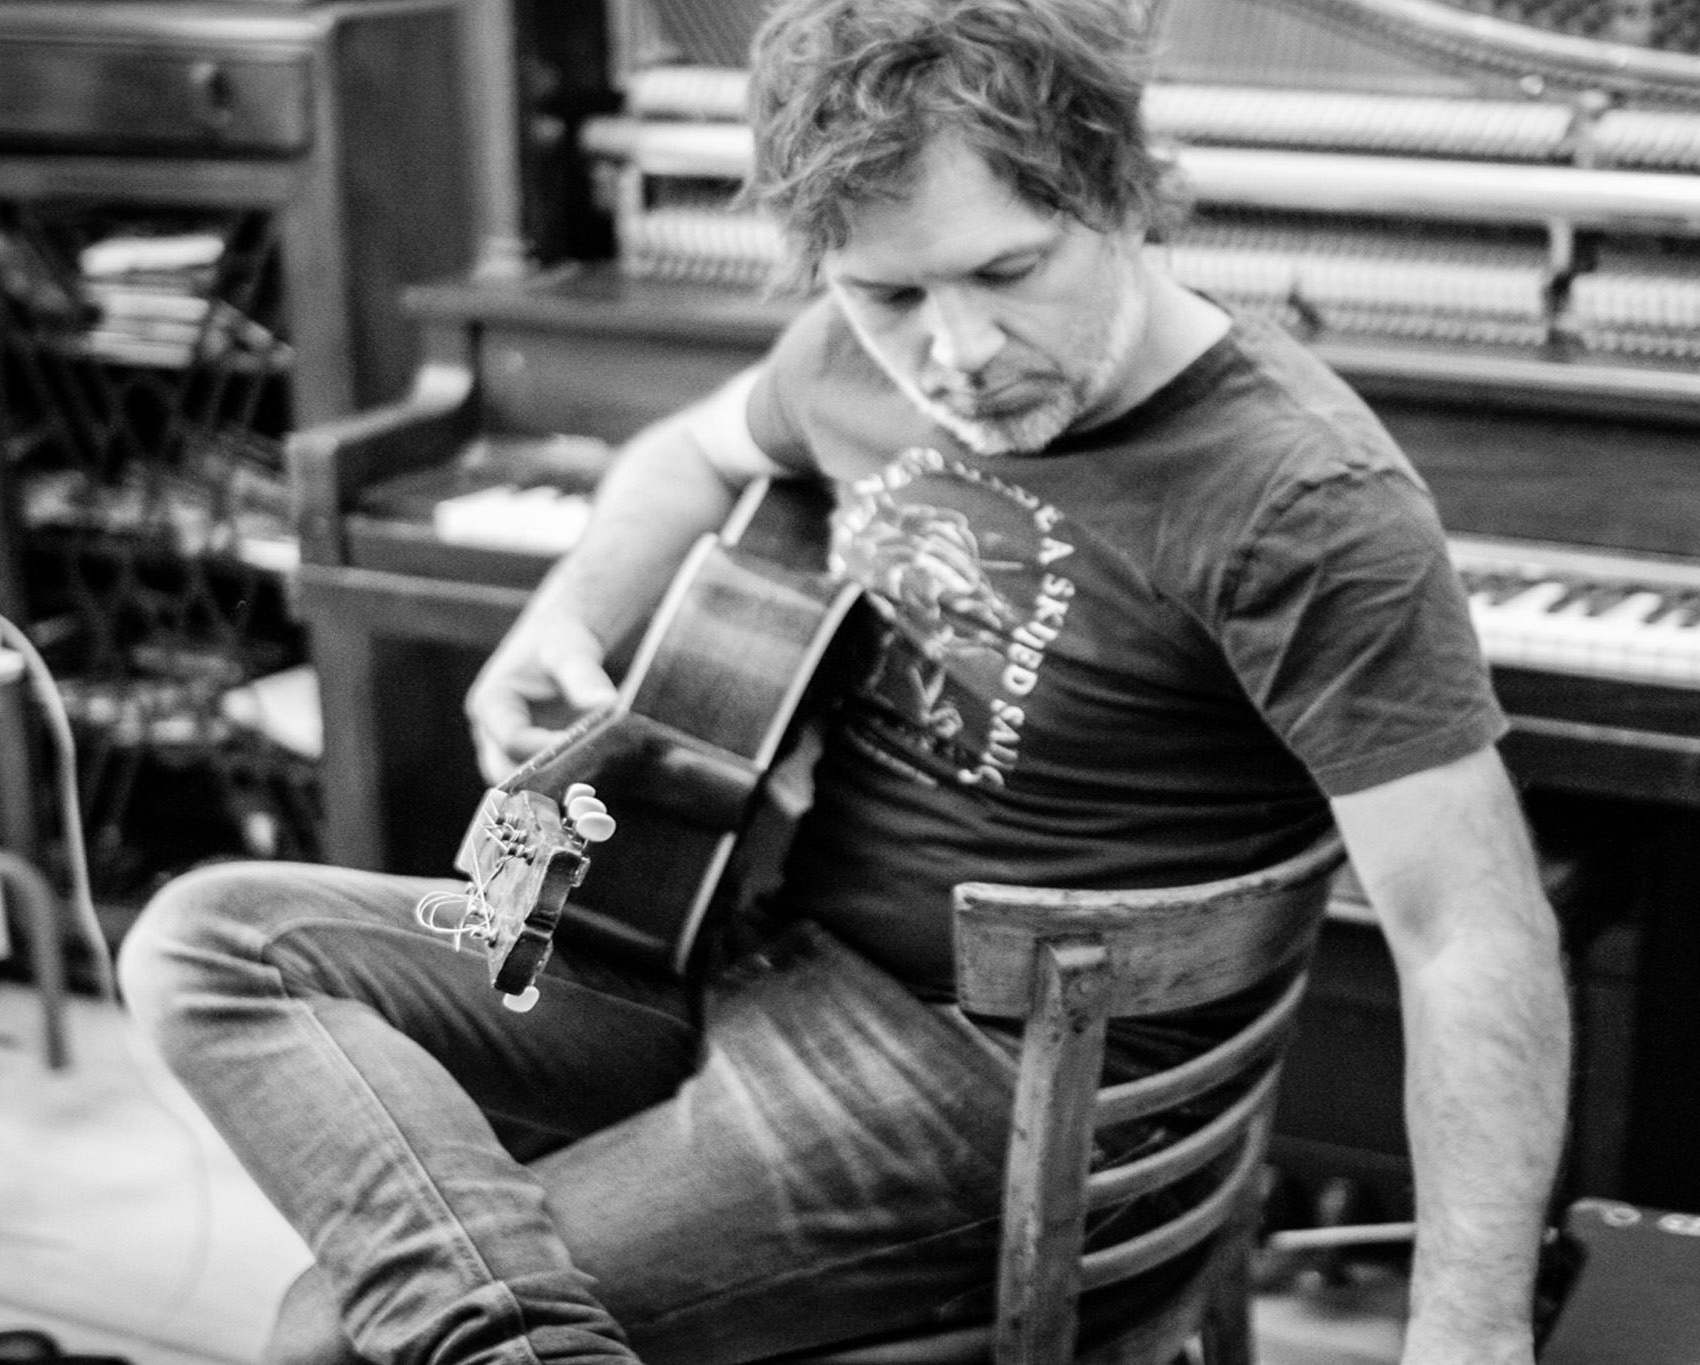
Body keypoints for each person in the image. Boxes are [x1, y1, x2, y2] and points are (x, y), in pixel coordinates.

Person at [119, 0, 1571, 1361]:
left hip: (997, 1089)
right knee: (210, 937)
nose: (958, 354)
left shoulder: (1303, 503)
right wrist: (567, 618)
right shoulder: (853, 354)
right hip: (744, 954)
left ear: (1126, 197)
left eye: (1009, 272)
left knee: (338, 1331)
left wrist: (1468, 1333)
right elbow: (687, 453)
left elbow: (1472, 935)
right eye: (887, 293)